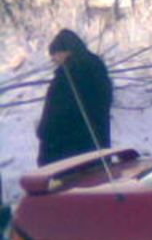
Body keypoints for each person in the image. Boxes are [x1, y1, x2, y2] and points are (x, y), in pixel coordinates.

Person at [36, 29, 113, 166]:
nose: (54, 60)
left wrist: (43, 130)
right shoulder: (97, 68)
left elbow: (56, 111)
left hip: (68, 151)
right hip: (96, 145)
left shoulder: (68, 76)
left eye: (55, 55)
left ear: (67, 51)